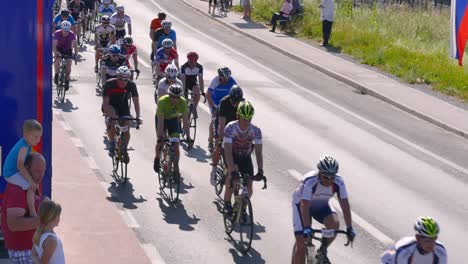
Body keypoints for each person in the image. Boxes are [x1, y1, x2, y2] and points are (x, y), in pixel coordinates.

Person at [291, 156, 356, 264]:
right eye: (326, 177)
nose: (329, 181)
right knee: (301, 243)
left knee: (334, 224)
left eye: (332, 177)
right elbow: (304, 205)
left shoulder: (339, 182)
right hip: (301, 204)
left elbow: (345, 205)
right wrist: (307, 227)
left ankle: (321, 252)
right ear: (320, 173)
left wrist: (349, 227)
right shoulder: (311, 181)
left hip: (321, 204)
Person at [1, 152, 46, 264]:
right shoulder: (18, 188)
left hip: (30, 251)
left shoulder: (30, 184)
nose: (41, 175)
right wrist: (46, 220)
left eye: (43, 171)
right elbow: (14, 224)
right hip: (24, 253)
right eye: (37, 171)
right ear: (26, 168)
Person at [222, 101, 264, 219]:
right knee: (233, 177)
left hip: (245, 157)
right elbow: (228, 151)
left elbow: (259, 153)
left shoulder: (256, 131)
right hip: (232, 155)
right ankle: (227, 203)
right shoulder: (230, 128)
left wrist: (260, 170)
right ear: (238, 116)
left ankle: (243, 208)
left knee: (249, 186)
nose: (246, 122)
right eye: (244, 119)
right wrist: (232, 170)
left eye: (249, 119)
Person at [2, 119, 42, 219]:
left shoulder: (26, 143)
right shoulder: (24, 146)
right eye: (35, 137)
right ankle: (32, 212)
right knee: (30, 186)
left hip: (14, 171)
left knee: (32, 182)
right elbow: (20, 166)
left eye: (39, 137)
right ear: (26, 135)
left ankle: (34, 200)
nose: (38, 140)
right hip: (11, 173)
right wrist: (31, 181)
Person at [102, 66, 141, 161]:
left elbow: (136, 101)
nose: (123, 82)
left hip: (123, 106)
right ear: (117, 77)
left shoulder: (131, 85)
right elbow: (105, 103)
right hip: (110, 105)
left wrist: (138, 116)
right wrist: (108, 117)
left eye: (125, 79)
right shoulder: (109, 84)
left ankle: (123, 149)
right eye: (120, 79)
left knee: (126, 128)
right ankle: (111, 142)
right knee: (112, 120)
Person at [153, 84, 192, 174]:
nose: (175, 99)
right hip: (162, 120)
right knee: (161, 141)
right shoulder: (162, 101)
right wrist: (160, 137)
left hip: (173, 120)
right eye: (173, 97)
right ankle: (157, 158)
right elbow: (160, 123)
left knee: (176, 145)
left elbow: (186, 122)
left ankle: (175, 169)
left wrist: (188, 137)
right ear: (169, 95)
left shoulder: (183, 102)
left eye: (177, 97)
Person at [380, 216, 447, 264]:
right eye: (427, 240)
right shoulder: (404, 250)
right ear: (417, 238)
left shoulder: (440, 251)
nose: (431, 243)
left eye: (434, 239)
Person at [210, 85, 243, 176]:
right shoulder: (224, 102)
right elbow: (221, 125)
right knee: (219, 146)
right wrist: (221, 140)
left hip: (234, 122)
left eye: (237, 102)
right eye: (233, 101)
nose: (235, 104)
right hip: (222, 120)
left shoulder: (243, 104)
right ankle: (214, 167)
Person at [206, 66, 237, 153]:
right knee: (214, 119)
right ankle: (211, 141)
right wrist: (213, 108)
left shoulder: (232, 81)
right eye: (224, 78)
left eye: (227, 78)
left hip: (225, 103)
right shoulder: (215, 81)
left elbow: (237, 93)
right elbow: (208, 95)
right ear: (219, 76)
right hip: (214, 102)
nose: (226, 80)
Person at [32, 200, 65, 264]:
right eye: (58, 215)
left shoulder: (40, 234)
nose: (59, 218)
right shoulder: (51, 240)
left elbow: (32, 255)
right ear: (52, 217)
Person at [53, 21, 78, 91]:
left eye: (67, 30)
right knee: (57, 59)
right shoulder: (57, 33)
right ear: (61, 28)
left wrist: (75, 54)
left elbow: (75, 46)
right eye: (64, 30)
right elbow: (54, 46)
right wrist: (56, 53)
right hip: (59, 49)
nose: (66, 32)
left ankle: (67, 79)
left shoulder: (72, 34)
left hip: (68, 49)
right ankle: (56, 75)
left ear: (69, 29)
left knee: (69, 64)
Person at [180, 51, 204, 119]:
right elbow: (182, 80)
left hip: (193, 82)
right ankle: (183, 111)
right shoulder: (184, 67)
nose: (193, 64)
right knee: (183, 97)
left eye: (195, 62)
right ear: (188, 60)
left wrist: (202, 91)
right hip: (184, 82)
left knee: (197, 91)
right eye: (191, 62)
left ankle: (194, 108)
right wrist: (183, 91)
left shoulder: (199, 67)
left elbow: (200, 80)